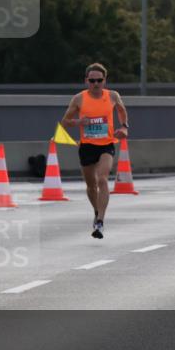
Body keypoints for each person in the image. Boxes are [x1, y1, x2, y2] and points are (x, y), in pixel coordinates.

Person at [60, 63, 128, 239]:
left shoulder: (112, 96)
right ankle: (97, 210)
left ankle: (100, 221)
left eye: (99, 80)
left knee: (102, 179)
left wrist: (124, 127)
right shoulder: (79, 99)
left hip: (106, 144)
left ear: (105, 81)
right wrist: (78, 123)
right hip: (87, 146)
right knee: (91, 185)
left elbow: (121, 111)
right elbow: (65, 121)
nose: (96, 84)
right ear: (86, 81)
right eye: (92, 80)